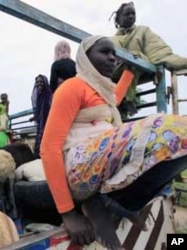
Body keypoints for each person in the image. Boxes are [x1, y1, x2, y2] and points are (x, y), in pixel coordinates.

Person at [40, 35, 187, 248]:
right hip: (79, 168)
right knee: (164, 127)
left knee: (176, 144)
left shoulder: (102, 93)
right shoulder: (71, 88)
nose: (112, 58)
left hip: (96, 164)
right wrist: (68, 214)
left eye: (114, 54)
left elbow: (114, 99)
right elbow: (48, 148)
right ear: (85, 57)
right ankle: (98, 204)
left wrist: (130, 71)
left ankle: (120, 204)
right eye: (105, 52)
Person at [110, 2, 187, 116]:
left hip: (134, 68)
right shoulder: (112, 39)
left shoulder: (143, 31)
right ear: (118, 19)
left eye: (133, 14)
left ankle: (128, 99)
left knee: (135, 57)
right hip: (116, 73)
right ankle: (119, 101)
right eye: (127, 14)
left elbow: (160, 52)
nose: (131, 16)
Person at [30, 74, 52, 159]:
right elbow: (39, 111)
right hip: (41, 124)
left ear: (45, 82)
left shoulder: (49, 94)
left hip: (48, 123)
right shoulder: (39, 96)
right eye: (37, 82)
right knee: (39, 143)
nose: (39, 84)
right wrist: (34, 117)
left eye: (41, 82)